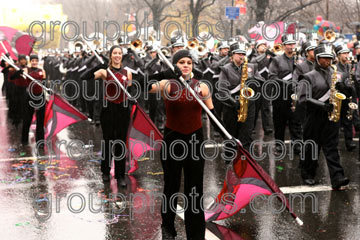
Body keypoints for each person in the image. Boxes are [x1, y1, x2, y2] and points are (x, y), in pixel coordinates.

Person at [146, 49, 222, 239]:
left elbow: (214, 117)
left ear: (193, 65)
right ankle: (168, 228)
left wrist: (229, 138)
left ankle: (195, 233)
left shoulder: (202, 87)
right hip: (173, 141)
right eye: (181, 62)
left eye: (189, 62)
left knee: (194, 189)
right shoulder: (166, 85)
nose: (186, 65)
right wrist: (164, 74)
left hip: (195, 142)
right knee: (171, 187)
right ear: (176, 65)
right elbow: (139, 86)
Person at [298, 44, 349, 189]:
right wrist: (322, 106)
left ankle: (337, 177)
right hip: (314, 117)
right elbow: (303, 98)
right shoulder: (307, 77)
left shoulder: (334, 74)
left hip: (330, 117)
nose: (328, 61)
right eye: (325, 58)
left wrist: (344, 88)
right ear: (318, 59)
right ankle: (308, 174)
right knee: (312, 147)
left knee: (332, 147)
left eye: (330, 58)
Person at [81, 45, 132, 187]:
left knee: (121, 142)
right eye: (114, 53)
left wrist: (132, 98)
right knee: (108, 141)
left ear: (122, 56)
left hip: (123, 109)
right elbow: (84, 77)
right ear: (110, 55)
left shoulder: (127, 73)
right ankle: (105, 171)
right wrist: (98, 66)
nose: (117, 55)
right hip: (108, 109)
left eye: (119, 53)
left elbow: (130, 89)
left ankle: (120, 175)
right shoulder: (105, 71)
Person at [21, 54, 46, 145]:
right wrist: (20, 72)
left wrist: (48, 90)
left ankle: (40, 142)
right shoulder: (26, 70)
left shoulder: (42, 70)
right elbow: (19, 77)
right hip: (30, 97)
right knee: (27, 119)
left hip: (40, 97)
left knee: (40, 120)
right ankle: (24, 141)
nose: (34, 62)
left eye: (36, 60)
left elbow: (44, 83)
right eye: (32, 61)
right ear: (30, 61)